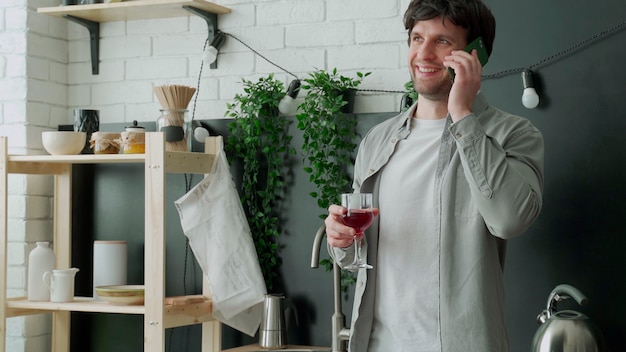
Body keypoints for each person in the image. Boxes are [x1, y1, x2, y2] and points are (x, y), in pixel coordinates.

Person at [324, 0, 544, 351]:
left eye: (442, 41)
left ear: (476, 55)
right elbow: (359, 260)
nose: (423, 53)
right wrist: (344, 241)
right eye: (416, 38)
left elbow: (509, 220)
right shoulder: (377, 141)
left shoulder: (514, 135)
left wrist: (462, 113)